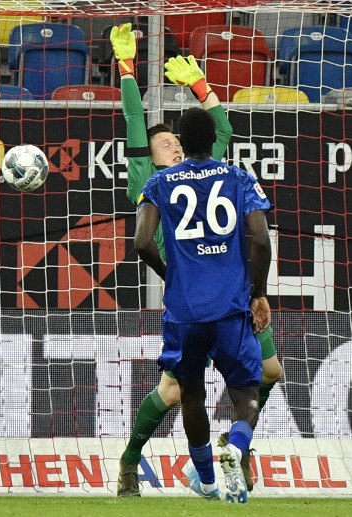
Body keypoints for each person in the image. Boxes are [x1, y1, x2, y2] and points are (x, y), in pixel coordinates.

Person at [111, 22, 282, 496]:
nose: (173, 145)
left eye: (176, 141)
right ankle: (130, 461)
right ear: (152, 154)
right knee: (173, 394)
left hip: (209, 299)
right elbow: (133, 124)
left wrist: (200, 85)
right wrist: (127, 70)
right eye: (164, 143)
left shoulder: (203, 171)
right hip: (205, 298)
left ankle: (227, 451)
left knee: (271, 373)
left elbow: (220, 128)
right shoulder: (146, 177)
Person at [134, 107, 272, 503]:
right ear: (213, 142)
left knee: (191, 394)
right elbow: (261, 240)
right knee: (246, 392)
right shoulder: (238, 177)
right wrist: (258, 292)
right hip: (230, 307)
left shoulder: (160, 182)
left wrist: (169, 274)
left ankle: (209, 483)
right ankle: (237, 446)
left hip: (186, 311)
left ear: (182, 142)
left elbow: (142, 242)